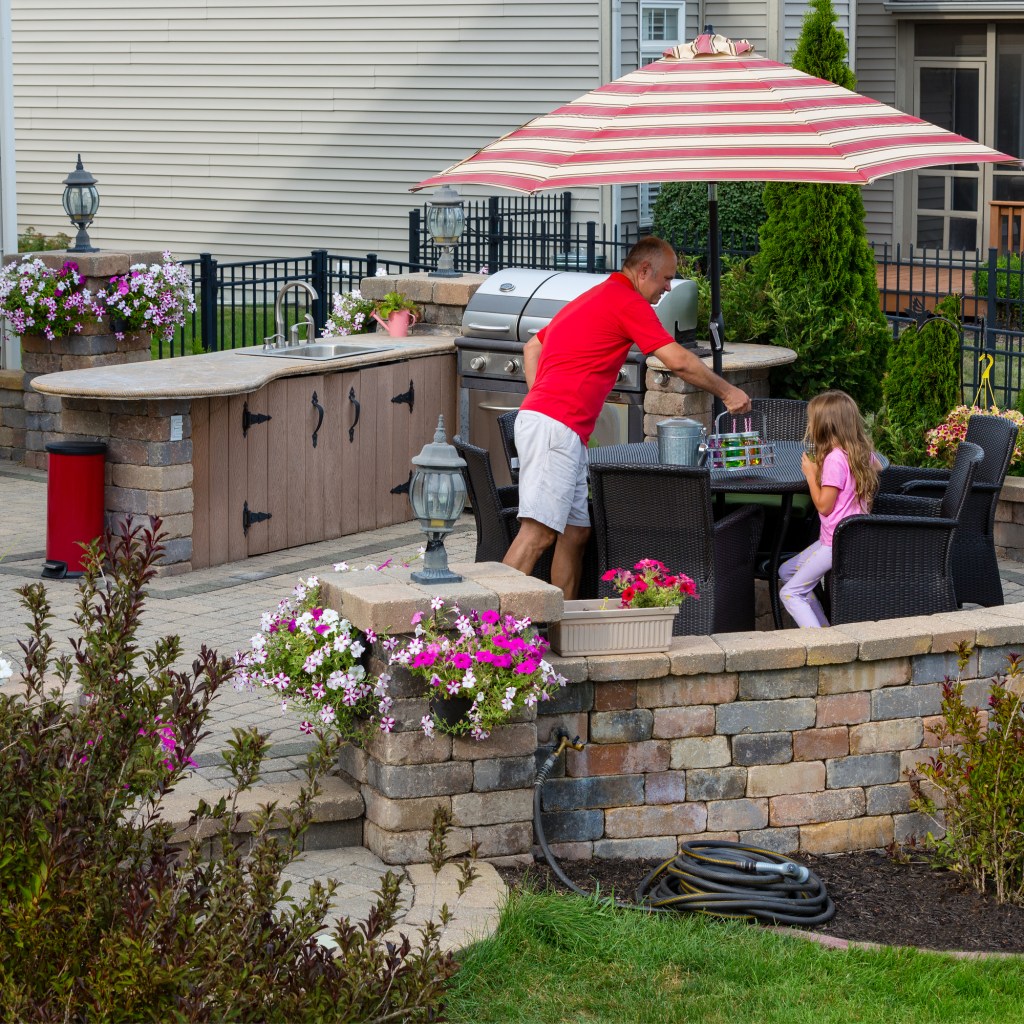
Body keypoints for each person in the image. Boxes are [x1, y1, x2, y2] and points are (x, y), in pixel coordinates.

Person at [502, 236, 751, 598]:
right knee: (537, 534)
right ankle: (483, 633)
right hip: (555, 425)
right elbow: (678, 360)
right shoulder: (627, 301)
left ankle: (562, 630)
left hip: (559, 426)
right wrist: (728, 392)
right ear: (643, 270)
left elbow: (533, 347)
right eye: (666, 278)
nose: (668, 287)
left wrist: (541, 399)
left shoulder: (595, 295)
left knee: (576, 533)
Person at [779, 390, 880, 628]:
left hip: (834, 542)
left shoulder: (836, 459)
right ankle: (824, 629)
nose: (810, 426)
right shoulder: (860, 452)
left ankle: (820, 644)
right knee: (786, 571)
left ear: (825, 425)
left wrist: (812, 475)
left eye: (812, 421)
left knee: (790, 594)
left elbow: (824, 506)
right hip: (847, 536)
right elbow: (879, 468)